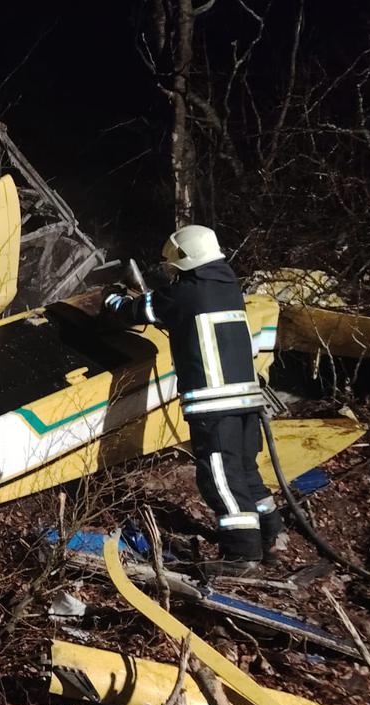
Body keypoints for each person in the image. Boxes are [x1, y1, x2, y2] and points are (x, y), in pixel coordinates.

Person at [104, 225, 282, 572]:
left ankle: (242, 552)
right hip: (246, 400)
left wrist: (112, 298)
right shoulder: (227, 286)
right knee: (245, 470)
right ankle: (272, 534)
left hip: (213, 404)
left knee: (219, 476)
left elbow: (135, 312)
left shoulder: (185, 293)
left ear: (185, 259)